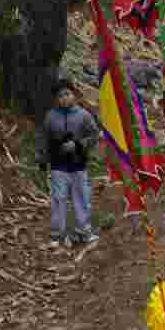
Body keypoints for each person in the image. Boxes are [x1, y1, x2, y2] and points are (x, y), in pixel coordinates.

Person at [39, 81, 96, 248]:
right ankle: (57, 234)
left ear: (74, 95)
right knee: (59, 198)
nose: (64, 98)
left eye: (67, 94)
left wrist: (78, 144)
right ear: (56, 99)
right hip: (58, 165)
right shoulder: (50, 117)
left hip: (78, 164)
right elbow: (44, 139)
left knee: (81, 197)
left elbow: (94, 135)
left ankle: (84, 232)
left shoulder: (84, 115)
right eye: (60, 96)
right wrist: (42, 159)